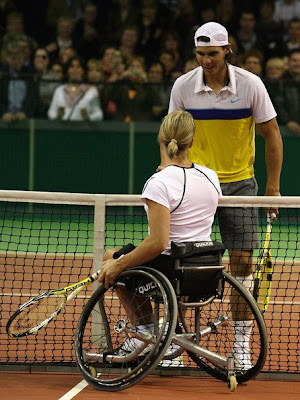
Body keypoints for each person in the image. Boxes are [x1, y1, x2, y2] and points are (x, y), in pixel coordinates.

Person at [162, 21, 283, 368]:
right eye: (200, 54)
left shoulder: (251, 85)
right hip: (196, 182)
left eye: (212, 54)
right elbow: (169, 134)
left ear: (227, 49)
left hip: (240, 184)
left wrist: (272, 188)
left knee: (243, 264)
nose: (206, 61)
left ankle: (241, 345)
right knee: (182, 263)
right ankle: (174, 341)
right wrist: (170, 171)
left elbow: (272, 135)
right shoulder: (183, 86)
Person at [99, 110, 222, 364]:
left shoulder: (160, 183)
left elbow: (158, 243)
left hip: (172, 273)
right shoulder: (211, 176)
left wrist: (117, 264)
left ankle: (145, 332)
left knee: (111, 256)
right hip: (206, 269)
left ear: (161, 140)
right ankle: (167, 334)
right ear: (192, 142)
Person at [47, 56, 103, 121]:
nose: (75, 69)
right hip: (62, 129)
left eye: (78, 67)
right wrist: (58, 117)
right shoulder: (59, 90)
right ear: (67, 71)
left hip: (83, 129)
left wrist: (88, 118)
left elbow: (99, 114)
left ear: (83, 71)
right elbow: (51, 112)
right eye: (72, 67)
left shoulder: (91, 91)